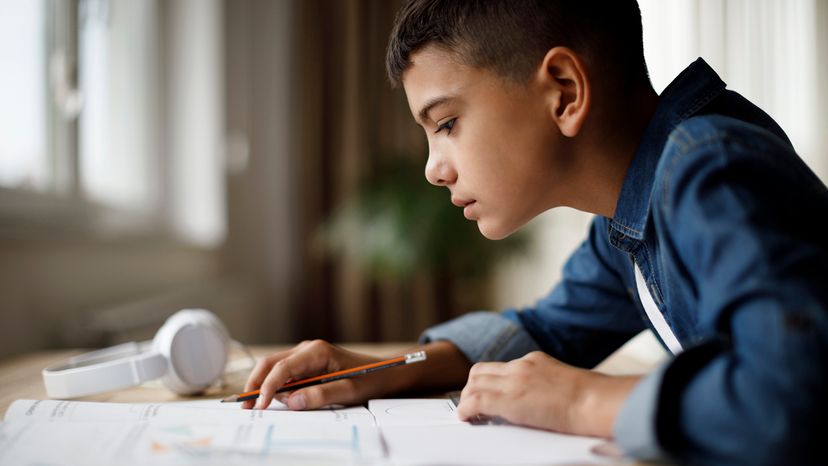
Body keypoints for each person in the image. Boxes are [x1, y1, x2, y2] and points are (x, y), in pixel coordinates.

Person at [243, 1, 828, 464]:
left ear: (565, 91)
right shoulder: (631, 214)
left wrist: (579, 399)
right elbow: (548, 329)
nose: (432, 168)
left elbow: (791, 398)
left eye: (447, 123)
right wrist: (385, 369)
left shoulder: (710, 170)